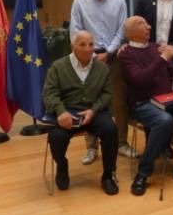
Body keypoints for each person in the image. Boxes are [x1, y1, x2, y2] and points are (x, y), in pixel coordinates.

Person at [119, 16, 173, 196]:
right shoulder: (126, 54)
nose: (149, 26)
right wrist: (163, 57)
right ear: (131, 32)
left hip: (168, 100)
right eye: (142, 24)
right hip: (143, 104)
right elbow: (141, 80)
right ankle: (143, 173)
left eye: (148, 23)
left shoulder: (157, 47)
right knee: (164, 120)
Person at [42, 31, 119, 195]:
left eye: (91, 44)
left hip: (94, 111)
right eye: (82, 44)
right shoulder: (58, 66)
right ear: (72, 47)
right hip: (67, 111)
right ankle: (62, 167)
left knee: (110, 129)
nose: (88, 48)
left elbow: (107, 94)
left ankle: (107, 175)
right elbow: (49, 94)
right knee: (56, 137)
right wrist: (61, 111)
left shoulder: (102, 68)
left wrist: (94, 110)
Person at [70, 0, 131, 165]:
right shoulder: (80, 1)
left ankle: (121, 143)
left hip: (114, 58)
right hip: (88, 58)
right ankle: (91, 147)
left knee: (119, 102)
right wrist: (89, 53)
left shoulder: (119, 1)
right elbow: (75, 30)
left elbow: (122, 31)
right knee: (90, 102)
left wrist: (109, 52)